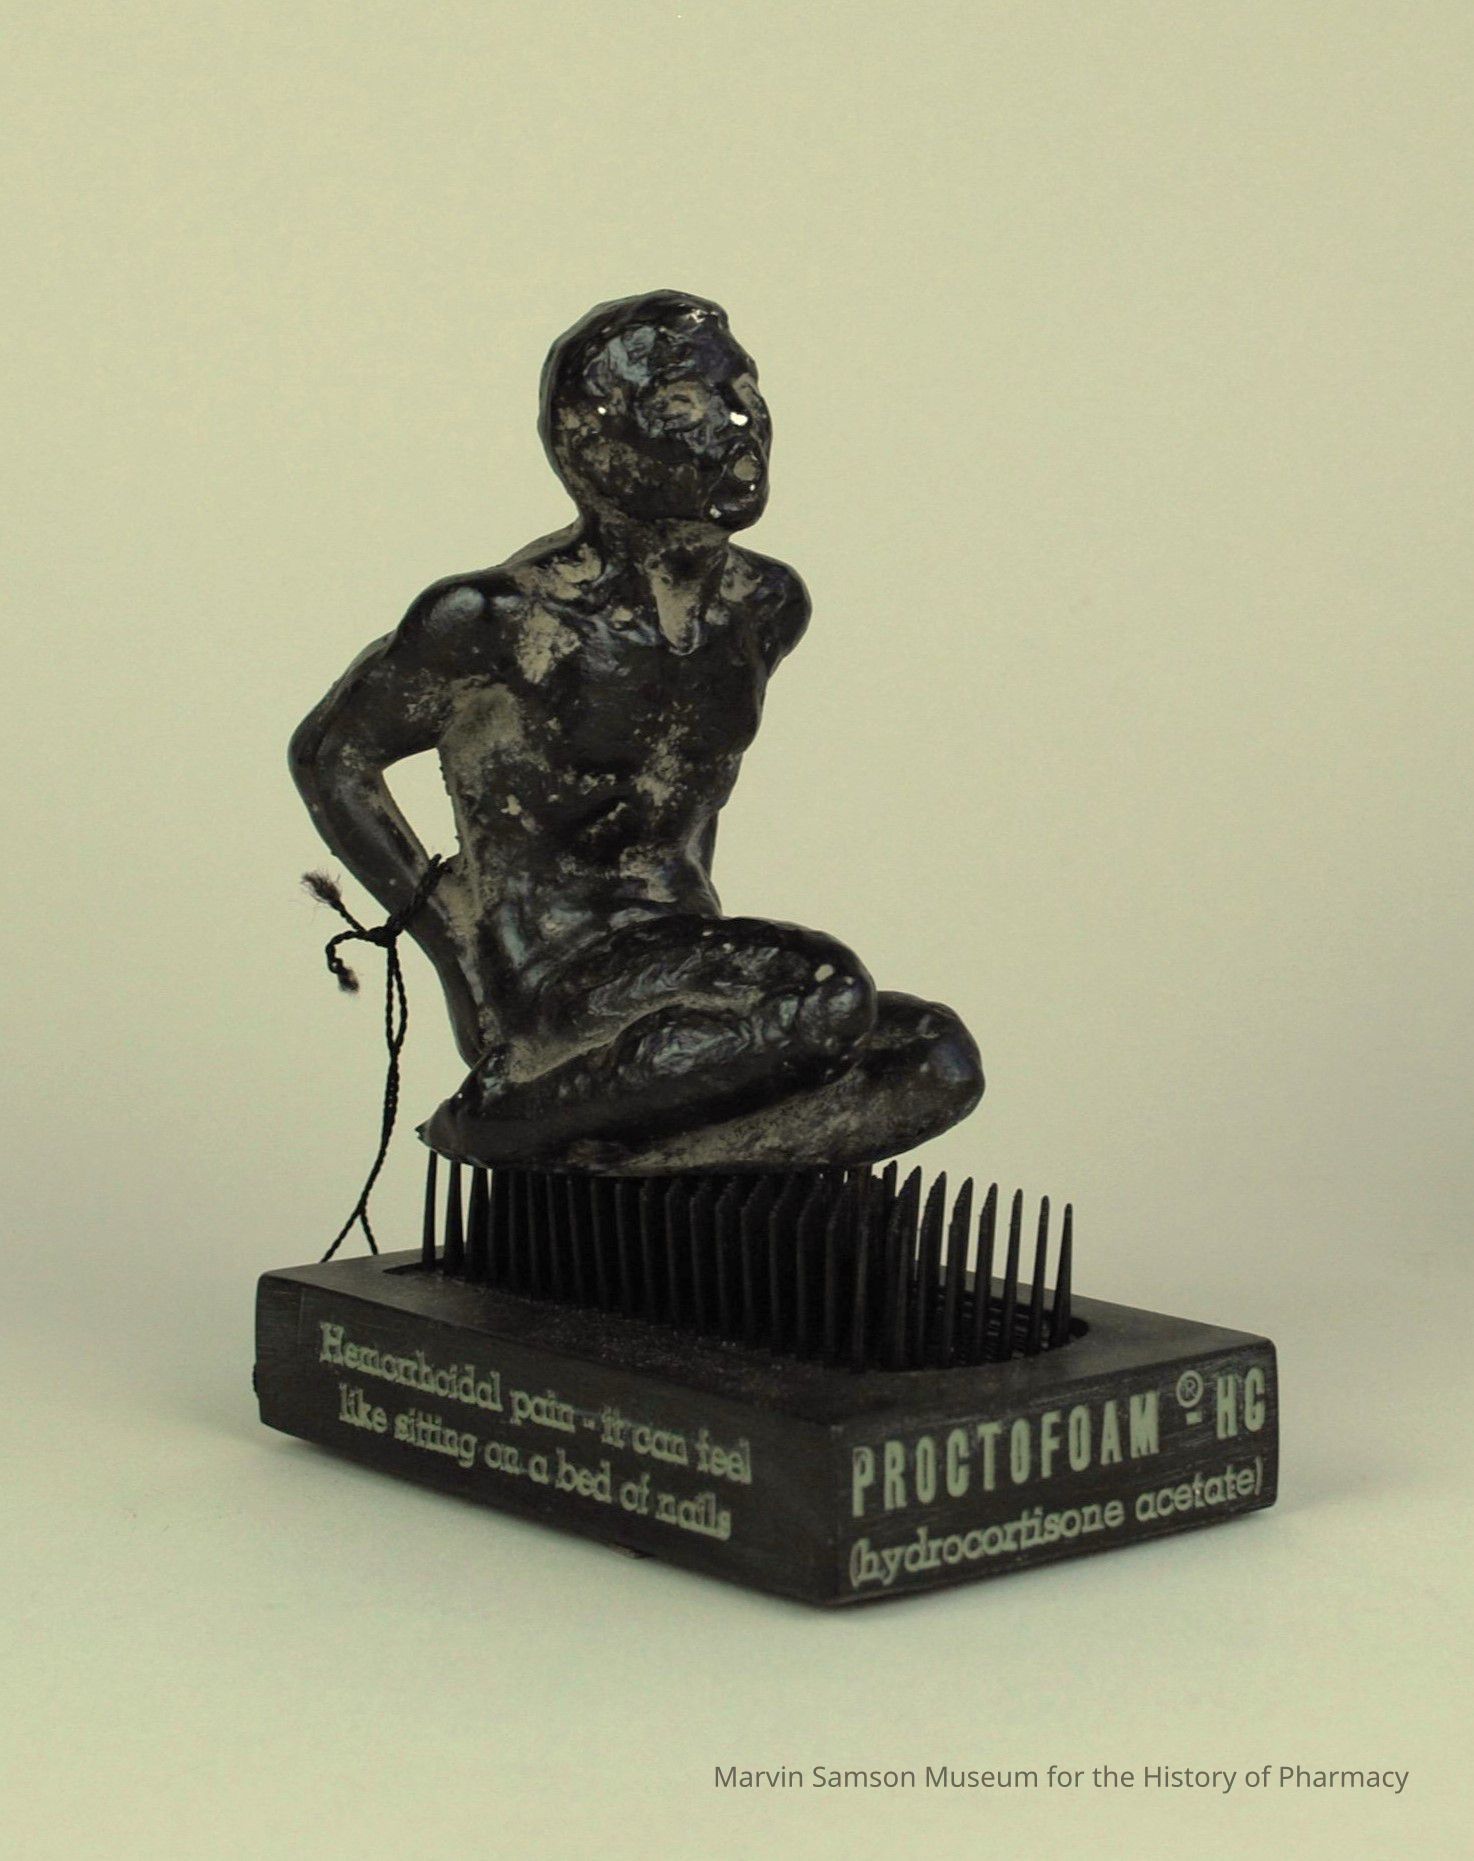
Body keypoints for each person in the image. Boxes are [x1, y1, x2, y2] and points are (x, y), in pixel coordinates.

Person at [290, 291, 982, 1171]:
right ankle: (511, 1114)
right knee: (827, 995)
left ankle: (633, 1167)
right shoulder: (500, 618)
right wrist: (457, 955)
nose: (740, 425)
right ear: (595, 444)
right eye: (688, 404)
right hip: (557, 975)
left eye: (747, 392)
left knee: (937, 1058)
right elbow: (332, 756)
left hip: (692, 972)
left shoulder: (764, 606)